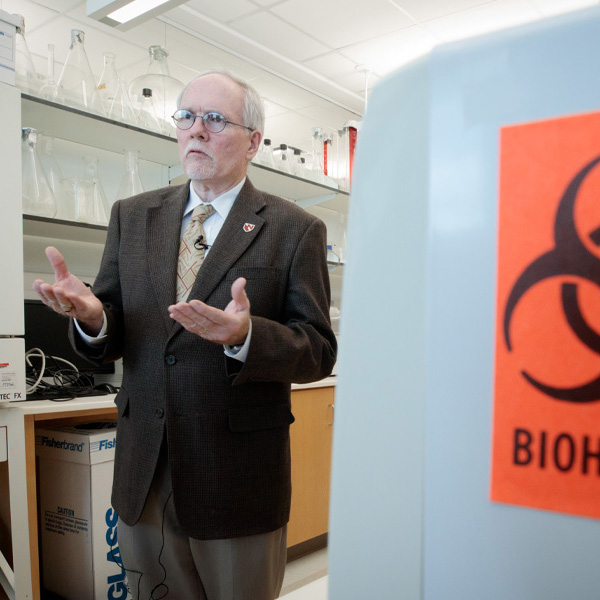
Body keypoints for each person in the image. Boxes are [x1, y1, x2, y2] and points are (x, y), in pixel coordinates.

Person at [33, 68, 337, 600]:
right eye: (187, 117)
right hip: (143, 466)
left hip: (236, 474)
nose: (196, 130)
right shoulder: (132, 217)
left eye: (216, 119)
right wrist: (92, 317)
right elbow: (115, 321)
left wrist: (247, 336)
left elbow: (317, 349)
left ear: (253, 142)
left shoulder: (294, 229)